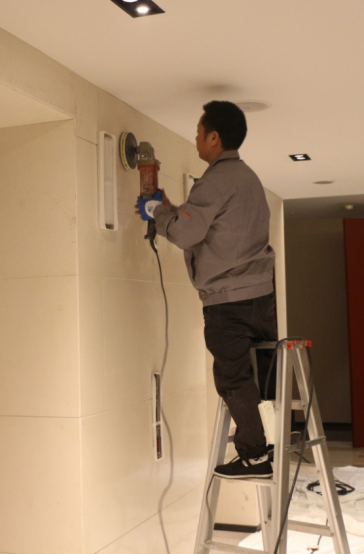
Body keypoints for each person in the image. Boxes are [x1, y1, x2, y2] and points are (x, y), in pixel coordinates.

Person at [137, 100, 277, 479]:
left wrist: (156, 212)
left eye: (199, 132)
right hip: (260, 295)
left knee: (233, 378)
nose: (196, 138)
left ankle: (255, 457)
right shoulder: (248, 178)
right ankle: (276, 439)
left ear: (214, 137)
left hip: (228, 301)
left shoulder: (216, 180)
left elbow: (185, 233)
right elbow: (208, 225)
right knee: (264, 374)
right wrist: (170, 210)